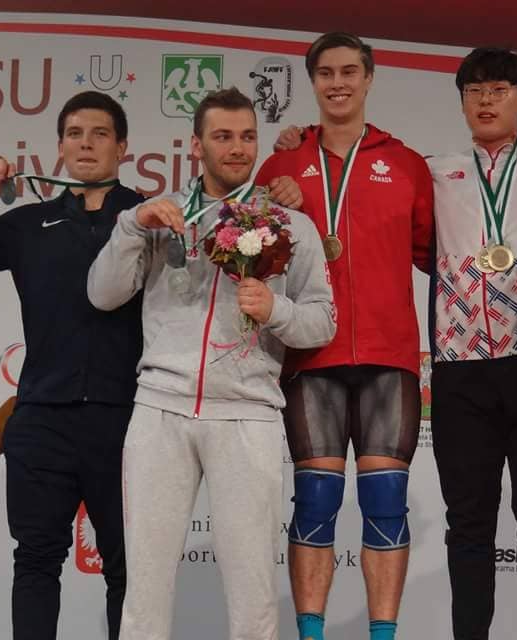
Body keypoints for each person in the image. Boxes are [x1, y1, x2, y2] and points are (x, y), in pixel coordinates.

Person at [87, 86, 335, 640]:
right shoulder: (159, 215)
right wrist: (130, 226)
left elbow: (322, 321)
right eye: (223, 137)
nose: (238, 148)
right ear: (196, 145)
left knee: (253, 592)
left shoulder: (288, 224)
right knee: (143, 591)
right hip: (161, 410)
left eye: (247, 136)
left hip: (247, 413)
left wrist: (275, 309)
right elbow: (102, 295)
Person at [0, 90, 143, 640]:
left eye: (99, 134)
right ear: (60, 147)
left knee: (130, 569)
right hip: (42, 418)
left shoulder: (148, 218)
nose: (86, 144)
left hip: (125, 420)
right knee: (37, 561)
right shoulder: (30, 223)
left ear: (122, 147)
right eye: (75, 134)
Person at [254, 32, 434, 640]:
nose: (338, 83)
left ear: (369, 78)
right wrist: (272, 204)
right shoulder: (281, 165)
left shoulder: (406, 164)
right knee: (315, 504)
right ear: (313, 82)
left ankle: (383, 635)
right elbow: (252, 257)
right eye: (326, 73)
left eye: (349, 72)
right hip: (311, 356)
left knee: (385, 504)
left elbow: (438, 255)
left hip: (389, 354)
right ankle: (311, 635)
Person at [424, 47, 517, 640]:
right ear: (462, 101)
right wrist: (300, 140)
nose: (486, 101)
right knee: (468, 524)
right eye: (474, 91)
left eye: (499, 90)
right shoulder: (434, 171)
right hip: (459, 369)